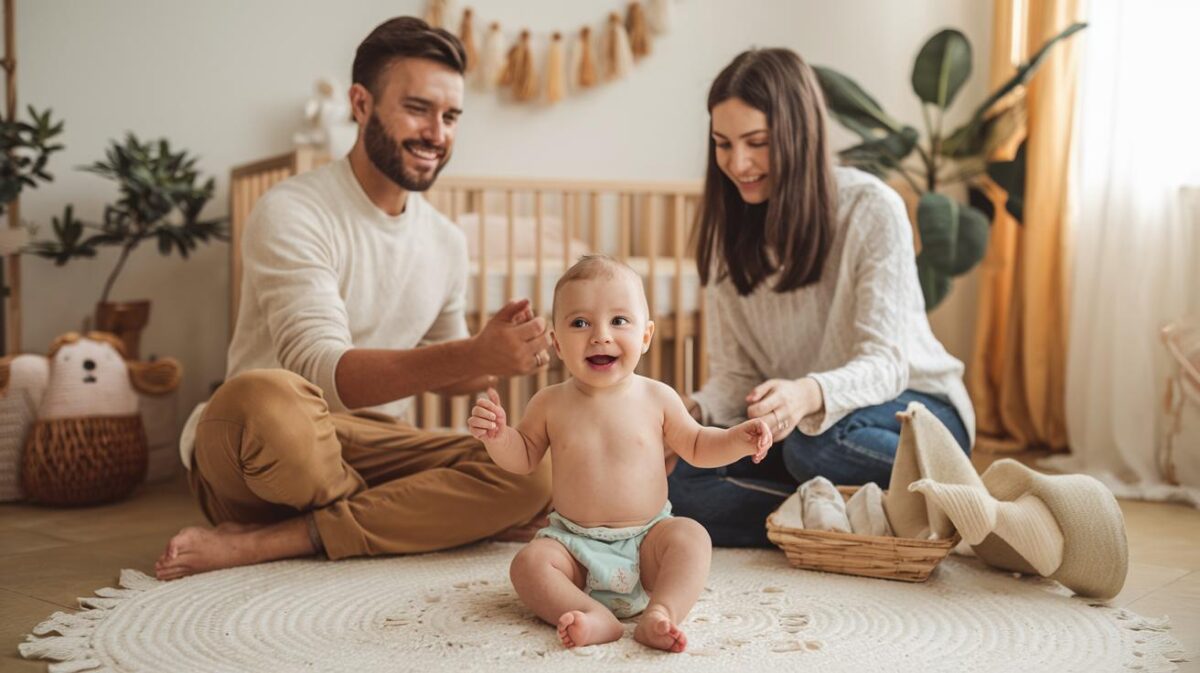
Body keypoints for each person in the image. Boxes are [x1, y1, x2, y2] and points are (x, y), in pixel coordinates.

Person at [155, 17, 553, 581]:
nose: (437, 134)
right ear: (361, 104)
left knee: (533, 472)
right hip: (272, 445)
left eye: (451, 116)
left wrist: (496, 352)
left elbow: (449, 371)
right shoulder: (291, 210)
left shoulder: (445, 240)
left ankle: (280, 539)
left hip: (372, 446)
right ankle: (404, 516)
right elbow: (322, 374)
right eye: (418, 108)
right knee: (265, 400)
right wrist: (473, 357)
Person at [667, 48, 976, 548]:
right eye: (723, 145)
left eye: (757, 143)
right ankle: (854, 517)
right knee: (681, 479)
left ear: (797, 136)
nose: (738, 163)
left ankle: (943, 491)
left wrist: (806, 395)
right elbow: (737, 377)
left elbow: (886, 364)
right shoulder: (728, 238)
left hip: (913, 415)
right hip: (800, 430)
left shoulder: (870, 208)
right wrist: (691, 415)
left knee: (816, 445)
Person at [469, 255, 772, 652]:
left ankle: (661, 611)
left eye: (618, 321)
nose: (600, 336)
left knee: (692, 538)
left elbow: (698, 445)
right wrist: (497, 436)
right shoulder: (548, 403)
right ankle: (592, 615)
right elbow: (523, 457)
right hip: (573, 546)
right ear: (558, 343)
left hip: (648, 542)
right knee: (528, 565)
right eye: (580, 323)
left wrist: (737, 438)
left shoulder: (658, 398)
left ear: (645, 336)